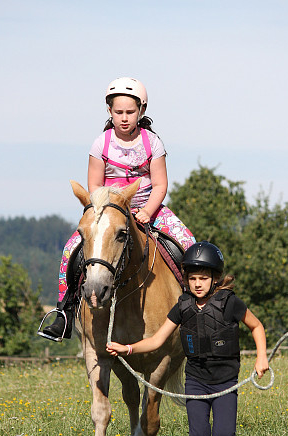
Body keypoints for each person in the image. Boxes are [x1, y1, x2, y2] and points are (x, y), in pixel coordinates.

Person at [106, 241, 269, 436]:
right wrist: (127, 348)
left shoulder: (230, 303)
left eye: (203, 278)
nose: (197, 284)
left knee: (223, 435)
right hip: (196, 381)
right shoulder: (182, 307)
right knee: (198, 435)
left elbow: (257, 326)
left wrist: (261, 357)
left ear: (215, 278)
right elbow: (157, 340)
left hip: (225, 381)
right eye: (192, 278)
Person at [40, 77, 195, 342]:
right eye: (118, 112)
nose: (124, 118)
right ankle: (64, 312)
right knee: (70, 251)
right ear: (109, 112)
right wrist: (107, 209)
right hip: (109, 209)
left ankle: (197, 310)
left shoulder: (152, 142)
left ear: (141, 111)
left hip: (148, 207)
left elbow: (160, 184)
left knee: (189, 245)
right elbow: (94, 185)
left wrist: (147, 211)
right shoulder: (101, 143)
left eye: (130, 112)